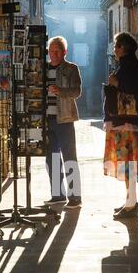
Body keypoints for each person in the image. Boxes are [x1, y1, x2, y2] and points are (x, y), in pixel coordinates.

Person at [103, 32, 138, 219]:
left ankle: (131, 205)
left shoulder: (129, 66)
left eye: (116, 46)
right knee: (126, 162)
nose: (114, 49)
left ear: (122, 48)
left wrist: (116, 82)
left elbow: (134, 90)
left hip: (126, 123)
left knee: (127, 162)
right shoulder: (129, 64)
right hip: (125, 122)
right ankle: (130, 201)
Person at [45, 36, 82, 209]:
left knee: (69, 156)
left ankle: (75, 197)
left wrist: (60, 91)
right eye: (51, 51)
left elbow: (76, 91)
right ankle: (57, 195)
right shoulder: (42, 69)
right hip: (46, 120)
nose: (54, 54)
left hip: (65, 118)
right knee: (51, 158)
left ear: (64, 52)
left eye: (57, 51)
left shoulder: (71, 68)